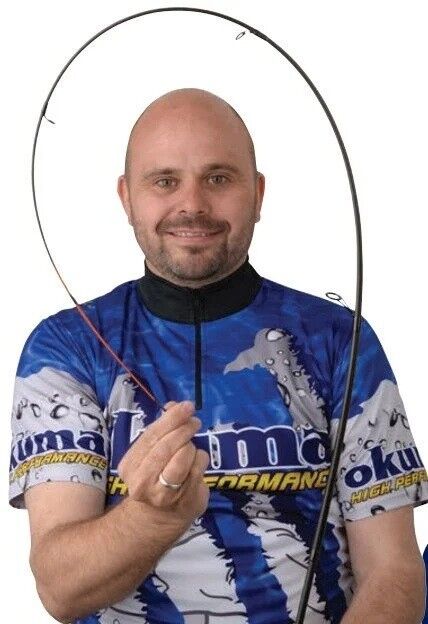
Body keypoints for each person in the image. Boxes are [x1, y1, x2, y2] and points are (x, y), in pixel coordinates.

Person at [8, 87, 428, 624]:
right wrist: (152, 517)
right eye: (165, 181)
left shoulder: (338, 340)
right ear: (127, 198)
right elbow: (62, 590)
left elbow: (393, 572)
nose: (193, 205)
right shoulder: (66, 347)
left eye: (219, 178)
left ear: (257, 193)